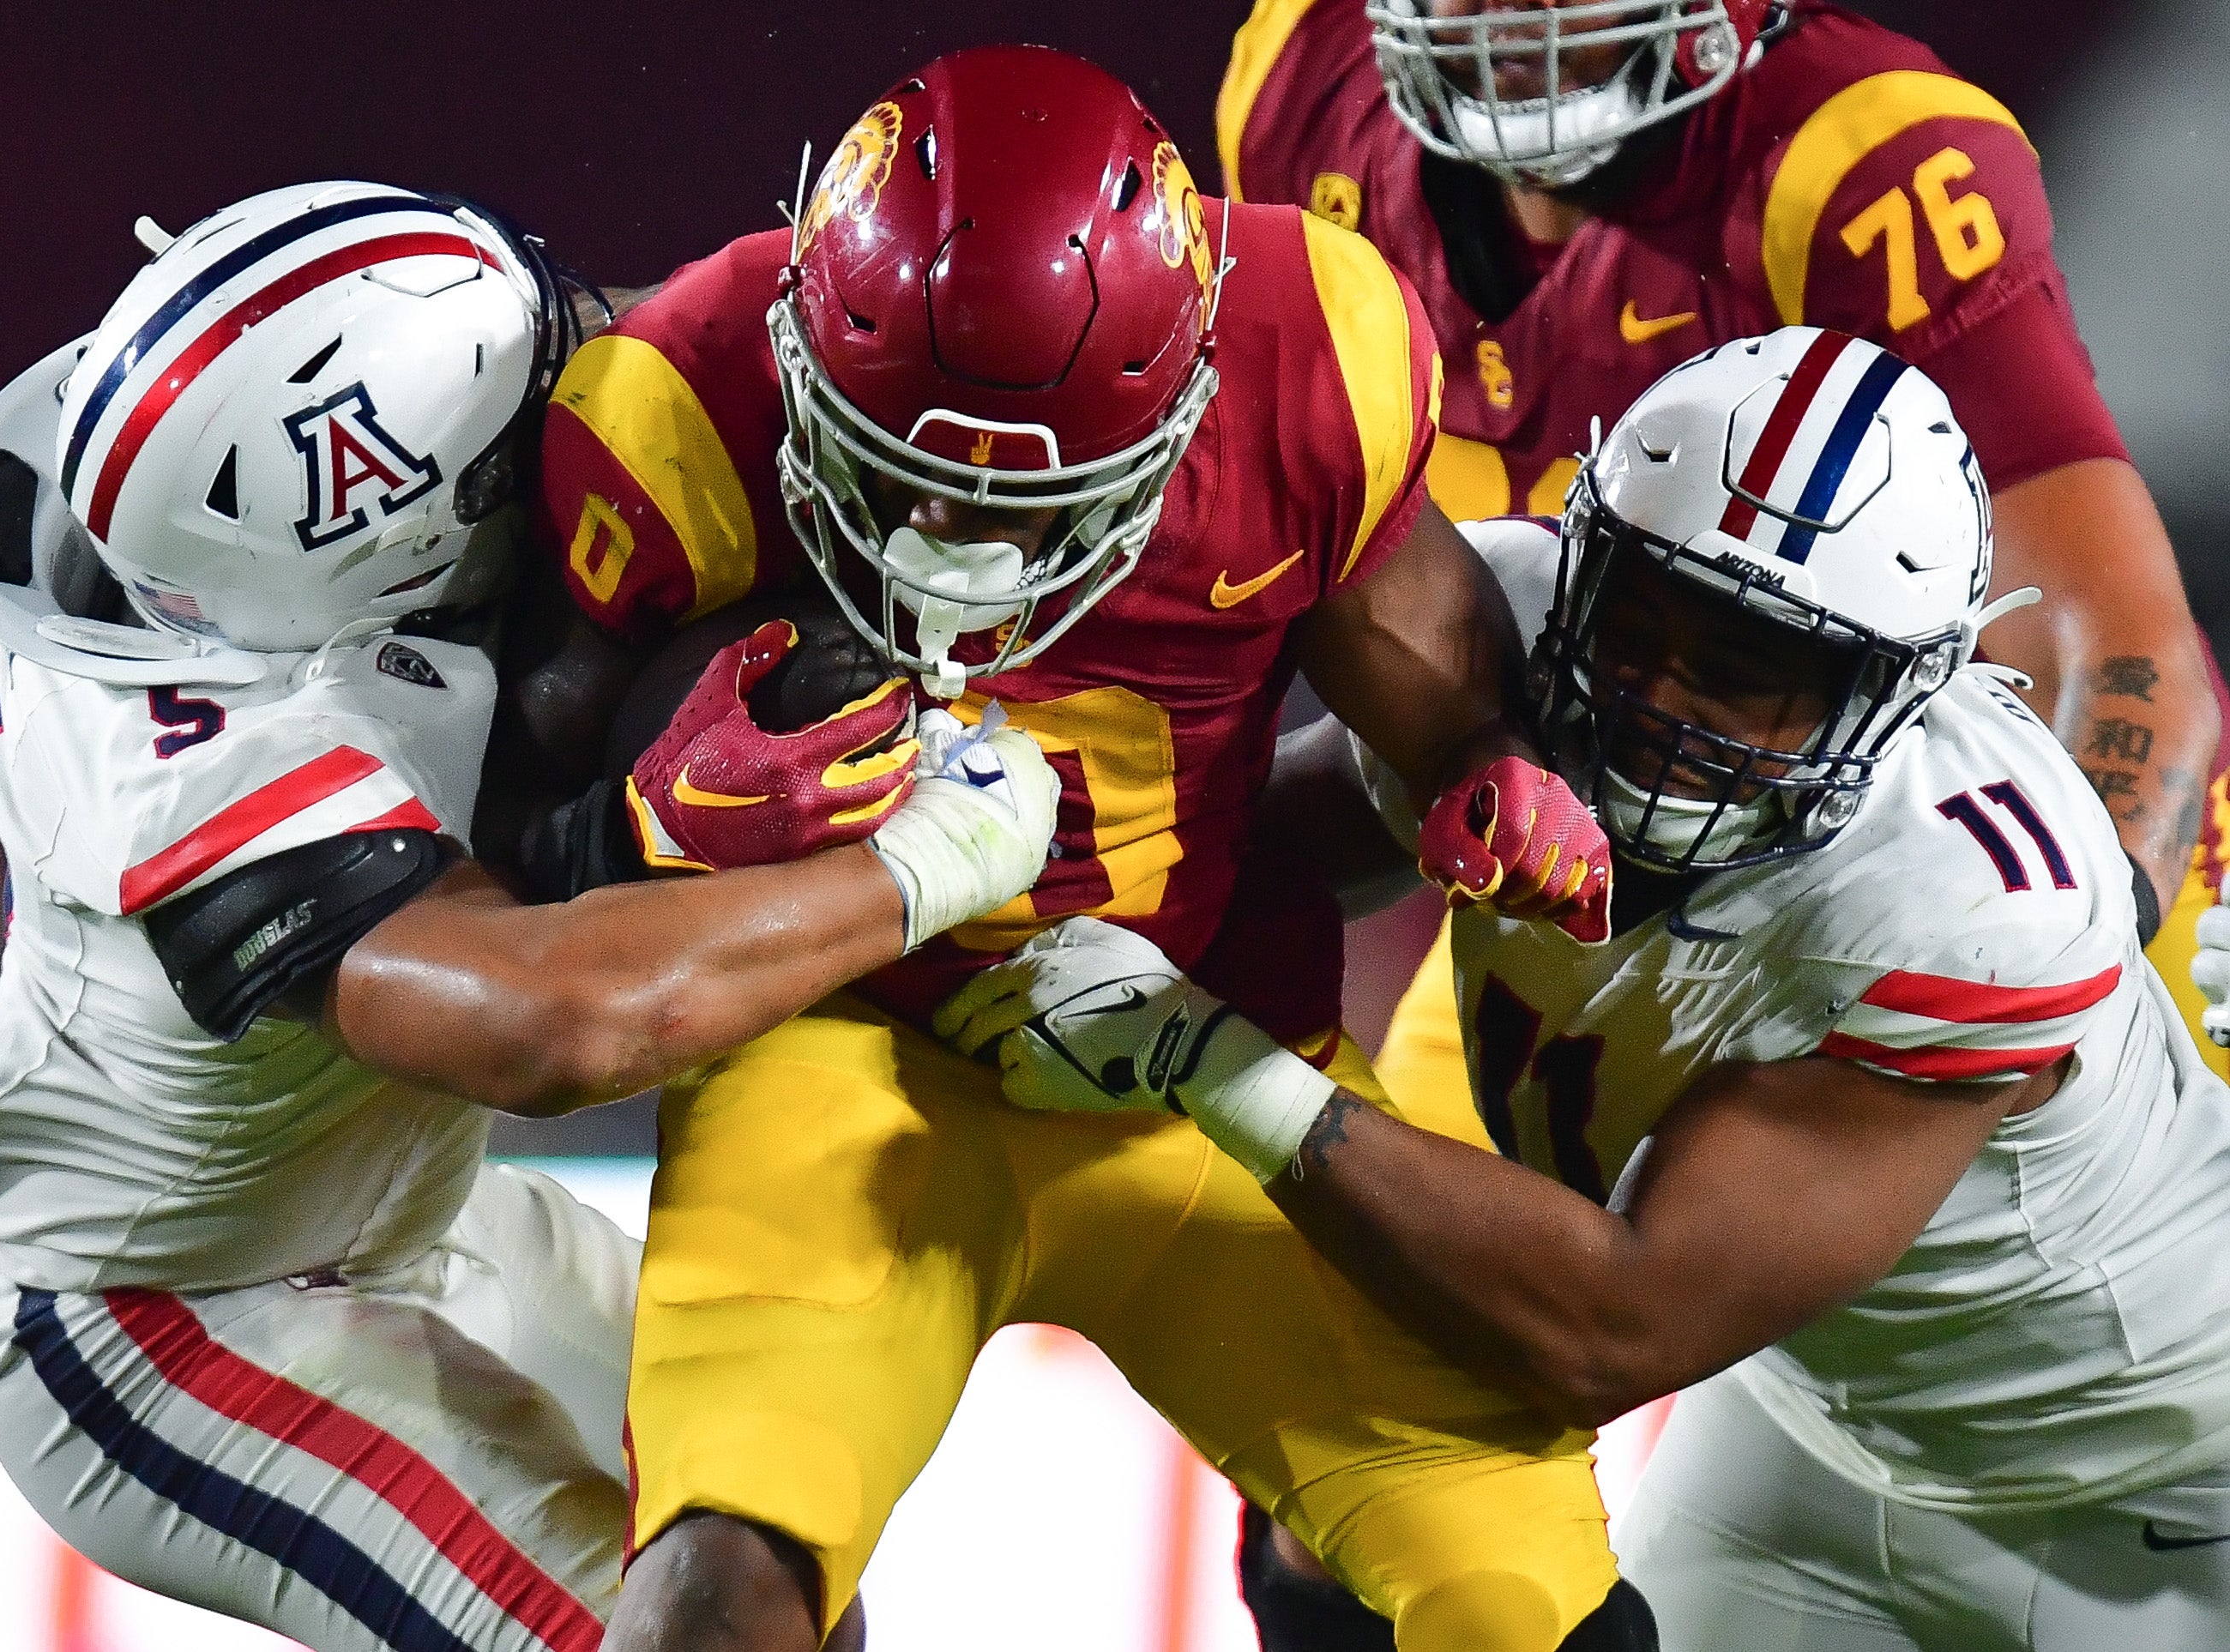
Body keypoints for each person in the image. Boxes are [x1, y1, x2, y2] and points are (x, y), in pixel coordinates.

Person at [511, 43, 1658, 1652]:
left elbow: (1450, 706)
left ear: (1191, 390)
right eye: (900, 469)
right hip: (839, 1061)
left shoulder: (1308, 348)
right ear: (801, 342)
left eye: (1032, 505)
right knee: (712, 1607)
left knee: (1532, 1612)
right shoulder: (677, 395)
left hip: (1203, 1052)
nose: (956, 542)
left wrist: (1491, 767)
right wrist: (631, 828)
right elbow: (498, 865)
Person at [943, 329, 2230, 1649]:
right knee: (1362, 1554)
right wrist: (975, 852)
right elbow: (1254, 854)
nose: (1658, 695)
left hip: (2155, 1503)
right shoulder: (1510, 630)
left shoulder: (1966, 894)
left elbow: (1612, 1323)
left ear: (1882, 693)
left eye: (1739, 663)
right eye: (1639, 615)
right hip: (1807, 1437)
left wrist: (1207, 1062)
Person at [0, 181, 1058, 1652]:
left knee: (765, 1579)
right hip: (172, 1314)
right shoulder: (196, 778)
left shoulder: (241, 534)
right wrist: (922, 861)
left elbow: (686, 360)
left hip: (401, 1208)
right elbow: (557, 1026)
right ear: (395, 544)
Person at [1217, 0, 2224, 1113]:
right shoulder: (1295, 82)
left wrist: (2058, 959)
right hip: (1608, 880)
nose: (1515, 18)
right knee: (1428, 1253)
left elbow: (2119, 645)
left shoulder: (1854, 163)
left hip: (1962, 869)